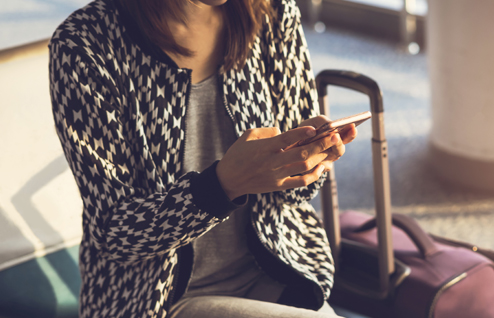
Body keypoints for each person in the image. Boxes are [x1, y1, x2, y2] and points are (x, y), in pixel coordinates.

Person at [48, 0, 357, 316]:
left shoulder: (272, 12)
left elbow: (298, 195)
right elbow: (114, 232)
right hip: (155, 300)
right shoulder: (85, 43)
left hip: (278, 271)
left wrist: (308, 159)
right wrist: (220, 188)